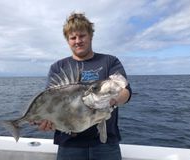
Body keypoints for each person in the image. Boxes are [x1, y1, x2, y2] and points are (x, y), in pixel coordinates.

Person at [36, 12, 132, 160]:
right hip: (69, 144)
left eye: (82, 36)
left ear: (91, 36)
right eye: (73, 38)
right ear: (68, 41)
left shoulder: (110, 61)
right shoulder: (58, 67)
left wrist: (111, 100)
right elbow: (51, 101)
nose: (77, 41)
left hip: (105, 143)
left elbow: (126, 92)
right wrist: (46, 120)